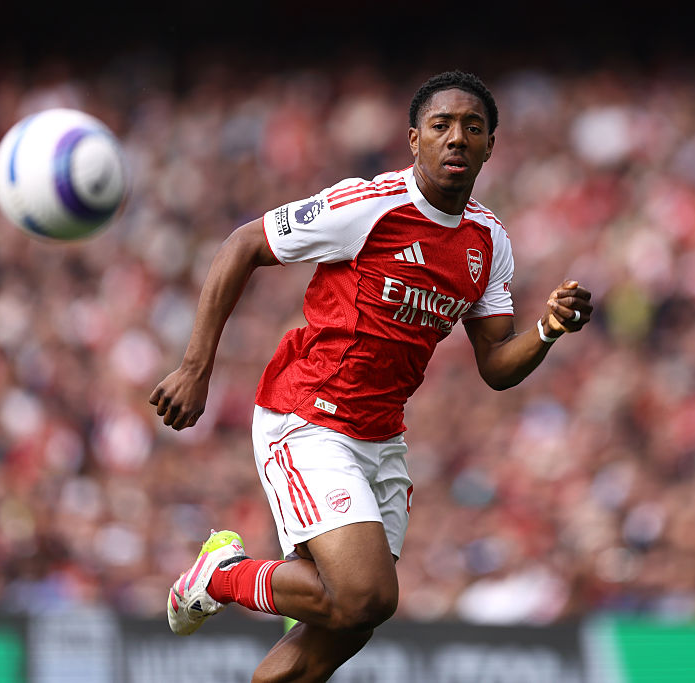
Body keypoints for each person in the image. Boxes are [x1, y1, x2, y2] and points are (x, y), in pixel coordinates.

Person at [149, 70, 593, 682]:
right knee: (367, 595)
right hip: (308, 416)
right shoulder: (371, 205)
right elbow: (242, 244)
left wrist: (547, 328)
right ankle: (222, 575)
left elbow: (494, 364)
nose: (456, 139)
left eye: (473, 127)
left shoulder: (488, 242)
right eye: (441, 126)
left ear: (492, 144)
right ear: (414, 140)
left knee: (346, 623)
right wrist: (196, 367)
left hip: (381, 438)